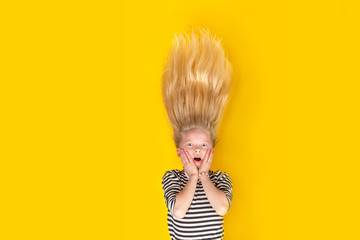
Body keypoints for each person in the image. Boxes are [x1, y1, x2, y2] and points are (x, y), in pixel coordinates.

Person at [161, 27, 234, 240]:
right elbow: (179, 211)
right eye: (190, 145)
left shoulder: (220, 179)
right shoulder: (172, 178)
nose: (197, 149)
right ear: (179, 151)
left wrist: (202, 175)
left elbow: (222, 208)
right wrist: (192, 176)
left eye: (203, 145)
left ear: (211, 151)